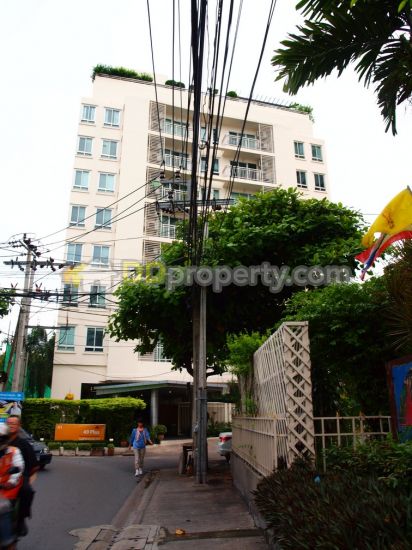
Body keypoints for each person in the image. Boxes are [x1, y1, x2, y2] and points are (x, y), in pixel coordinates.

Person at [6, 415, 38, 537]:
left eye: (14, 423)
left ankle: (21, 520)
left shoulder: (24, 444)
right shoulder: (2, 441)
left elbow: (33, 466)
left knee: (26, 491)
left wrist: (28, 478)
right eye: (9, 423)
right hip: (2, 474)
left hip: (19, 475)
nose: (11, 425)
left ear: (19, 426)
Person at [0, 423, 24, 549]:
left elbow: (18, 468)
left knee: (2, 507)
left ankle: (8, 540)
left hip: (7, 490)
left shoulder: (14, 451)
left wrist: (11, 482)